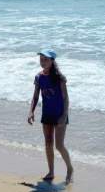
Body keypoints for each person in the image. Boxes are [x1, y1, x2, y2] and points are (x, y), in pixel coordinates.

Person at [28, 49, 73, 184]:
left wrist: (64, 116)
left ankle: (70, 169)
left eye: (45, 59)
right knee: (48, 144)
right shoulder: (39, 77)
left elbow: (66, 99)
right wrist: (31, 111)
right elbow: (35, 96)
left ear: (52, 61)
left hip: (59, 114)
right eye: (41, 59)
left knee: (59, 145)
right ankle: (51, 171)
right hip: (47, 114)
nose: (43, 62)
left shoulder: (60, 78)